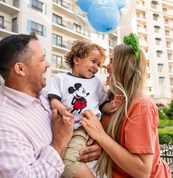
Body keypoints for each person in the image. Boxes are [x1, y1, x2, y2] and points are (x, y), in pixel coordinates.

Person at [0, 33, 101, 178]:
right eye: (42, 59)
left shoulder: (47, 97)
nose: (48, 64)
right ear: (20, 69)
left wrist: (91, 147)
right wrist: (59, 143)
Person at [80, 33, 172, 178]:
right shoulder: (108, 101)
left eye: (111, 61)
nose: (106, 66)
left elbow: (143, 171)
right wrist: (100, 148)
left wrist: (100, 136)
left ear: (123, 67)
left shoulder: (141, 105)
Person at [48, 40, 122, 178]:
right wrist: (62, 110)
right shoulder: (60, 79)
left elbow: (103, 105)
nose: (96, 67)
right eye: (93, 61)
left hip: (83, 128)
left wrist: (113, 105)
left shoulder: (96, 83)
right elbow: (54, 99)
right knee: (63, 157)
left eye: (99, 64)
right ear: (76, 60)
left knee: (66, 161)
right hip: (63, 127)